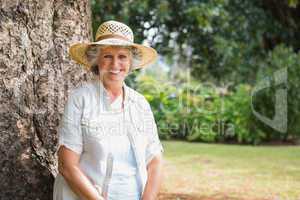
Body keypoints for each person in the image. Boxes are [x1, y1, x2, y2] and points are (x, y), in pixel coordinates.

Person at [53, 20, 164, 200]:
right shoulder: (80, 99)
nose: (115, 64)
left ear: (131, 62)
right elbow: (67, 165)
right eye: (107, 56)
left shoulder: (140, 103)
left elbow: (155, 160)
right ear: (97, 60)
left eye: (122, 56)